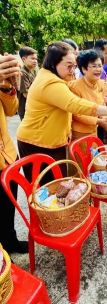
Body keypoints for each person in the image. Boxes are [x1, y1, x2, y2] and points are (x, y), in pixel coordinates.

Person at [16, 42, 107, 183]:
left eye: (74, 66)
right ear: (54, 63)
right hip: (37, 142)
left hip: (53, 141)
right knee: (45, 189)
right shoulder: (50, 83)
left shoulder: (58, 77)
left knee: (58, 184)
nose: (72, 70)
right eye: (69, 65)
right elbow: (76, 105)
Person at [67, 50, 107, 173]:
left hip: (93, 132)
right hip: (79, 133)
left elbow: (101, 104)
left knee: (92, 164)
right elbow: (76, 114)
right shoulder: (74, 86)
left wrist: (104, 120)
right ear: (84, 69)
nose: (98, 69)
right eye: (94, 66)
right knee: (80, 168)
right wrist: (99, 121)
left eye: (100, 65)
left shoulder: (102, 84)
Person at [0, 53, 28, 254]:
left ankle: (9, 241)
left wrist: (7, 85)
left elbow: (10, 111)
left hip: (6, 154)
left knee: (7, 205)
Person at [18, 46, 38, 121]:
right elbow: (26, 94)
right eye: (32, 58)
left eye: (36, 59)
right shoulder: (23, 73)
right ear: (24, 59)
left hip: (32, 108)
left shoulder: (32, 71)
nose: (35, 61)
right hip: (25, 110)